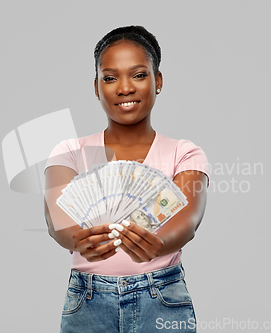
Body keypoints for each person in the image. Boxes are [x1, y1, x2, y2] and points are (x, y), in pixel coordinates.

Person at [43, 25, 209, 333]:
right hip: (87, 300)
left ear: (157, 81)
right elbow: (56, 217)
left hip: (162, 297)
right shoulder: (69, 151)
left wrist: (158, 244)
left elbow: (189, 218)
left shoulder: (184, 152)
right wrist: (75, 238)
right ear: (96, 87)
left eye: (139, 74)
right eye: (110, 77)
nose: (124, 88)